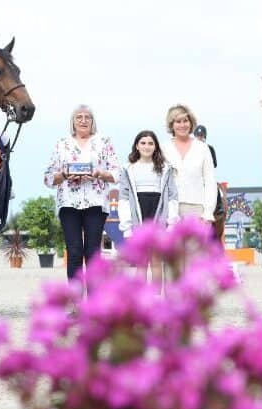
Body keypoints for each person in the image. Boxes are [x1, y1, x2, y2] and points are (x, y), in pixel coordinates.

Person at [44, 105, 121, 280]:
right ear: (73, 121)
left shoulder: (104, 142)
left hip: (96, 203)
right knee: (74, 251)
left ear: (93, 121)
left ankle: (94, 304)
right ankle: (75, 302)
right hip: (68, 203)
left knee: (93, 253)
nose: (83, 120)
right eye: (79, 117)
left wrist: (99, 173)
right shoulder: (62, 143)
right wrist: (64, 174)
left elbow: (117, 174)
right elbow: (48, 178)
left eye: (87, 117)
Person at [117, 130, 179, 284]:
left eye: (151, 143)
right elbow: (124, 197)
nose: (147, 146)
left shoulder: (166, 168)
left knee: (156, 260)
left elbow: (172, 196)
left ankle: (157, 299)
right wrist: (127, 226)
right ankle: (141, 301)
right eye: (143, 143)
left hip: (158, 216)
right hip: (138, 216)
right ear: (137, 146)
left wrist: (171, 222)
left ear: (156, 146)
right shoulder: (127, 169)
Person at [161, 104, 217, 227]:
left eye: (185, 121)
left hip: (196, 209)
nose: (182, 125)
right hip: (169, 210)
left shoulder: (202, 148)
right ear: (172, 125)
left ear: (191, 123)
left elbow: (210, 181)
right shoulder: (163, 148)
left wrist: (208, 213)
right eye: (178, 121)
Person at [194, 124, 227, 240]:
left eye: (201, 136)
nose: (199, 138)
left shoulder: (210, 148)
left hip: (207, 176)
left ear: (205, 137)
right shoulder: (191, 150)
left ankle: (218, 207)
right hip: (195, 178)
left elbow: (215, 164)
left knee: (216, 189)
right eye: (198, 136)